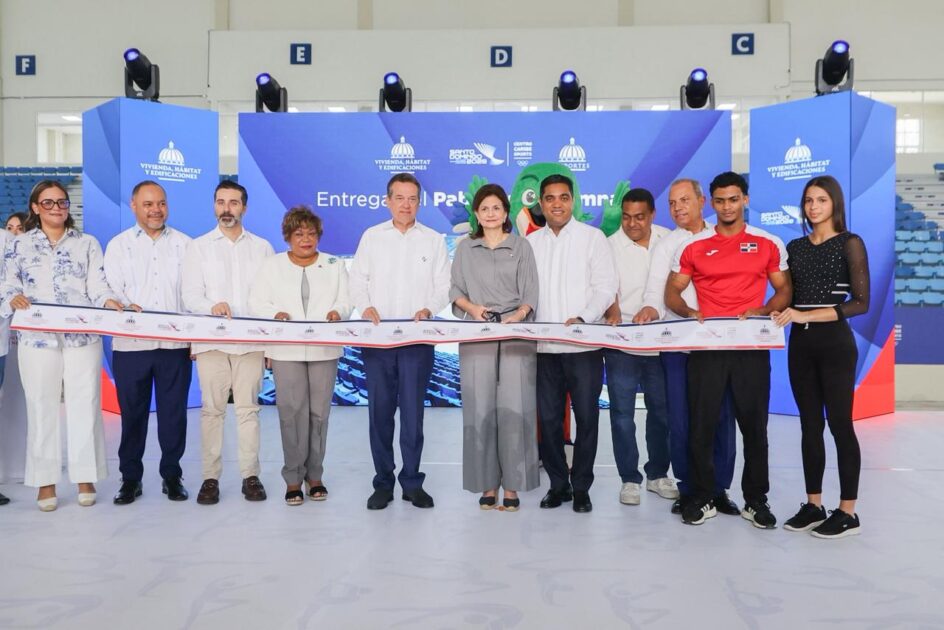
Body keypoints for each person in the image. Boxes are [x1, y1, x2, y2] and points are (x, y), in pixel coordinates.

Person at [665, 171, 792, 528]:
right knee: (702, 426)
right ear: (711, 203)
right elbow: (672, 292)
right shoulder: (693, 246)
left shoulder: (767, 242)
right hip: (707, 348)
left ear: (745, 200)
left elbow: (784, 290)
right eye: (720, 201)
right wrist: (687, 311)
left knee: (754, 428)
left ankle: (756, 500)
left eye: (733, 199)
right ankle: (703, 497)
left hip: (750, 347)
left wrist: (764, 309)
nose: (727, 207)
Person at [0, 181, 123, 511]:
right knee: (41, 406)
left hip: (82, 336)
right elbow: (7, 283)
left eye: (62, 202)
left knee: (86, 403)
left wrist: (109, 300)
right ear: (35, 207)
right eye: (48, 202)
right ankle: (45, 481)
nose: (56, 208)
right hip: (37, 339)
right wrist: (13, 296)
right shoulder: (18, 244)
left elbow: (98, 285)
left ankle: (86, 477)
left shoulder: (87, 243)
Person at [634, 179, 739, 516]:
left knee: (721, 416)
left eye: (684, 200)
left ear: (701, 201)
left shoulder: (722, 237)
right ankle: (689, 488)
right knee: (679, 420)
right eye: (672, 203)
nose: (678, 207)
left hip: (718, 344)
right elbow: (655, 290)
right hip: (677, 345)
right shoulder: (667, 245)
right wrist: (649, 308)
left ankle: (719, 488)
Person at [773, 175, 868, 539]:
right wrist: (771, 312)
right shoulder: (795, 247)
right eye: (809, 200)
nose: (813, 207)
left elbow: (861, 303)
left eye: (821, 200)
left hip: (835, 345)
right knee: (810, 425)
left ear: (835, 204)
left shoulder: (850, 243)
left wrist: (805, 315)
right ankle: (814, 505)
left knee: (841, 424)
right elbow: (788, 296)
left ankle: (848, 512)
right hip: (801, 345)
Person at [349, 172, 450, 510]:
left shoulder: (433, 240)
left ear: (419, 202)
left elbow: (443, 286)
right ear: (388, 201)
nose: (406, 205)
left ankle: (412, 482)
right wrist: (365, 307)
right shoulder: (372, 237)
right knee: (379, 414)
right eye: (400, 198)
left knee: (412, 415)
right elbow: (357, 280)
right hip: (378, 341)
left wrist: (429, 308)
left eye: (412, 199)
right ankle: (383, 483)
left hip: (416, 341)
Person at [527, 174, 618, 513]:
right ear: (541, 203)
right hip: (544, 349)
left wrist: (584, 318)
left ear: (573, 200)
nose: (557, 204)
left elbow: (606, 286)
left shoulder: (592, 238)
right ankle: (558, 485)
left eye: (563, 197)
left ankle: (581, 487)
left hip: (584, 348)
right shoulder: (530, 243)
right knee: (549, 420)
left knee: (587, 419)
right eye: (550, 198)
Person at [249, 206, 351, 506]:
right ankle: (293, 478)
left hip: (324, 348)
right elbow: (256, 301)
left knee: (319, 414)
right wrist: (275, 313)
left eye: (311, 233)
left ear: (318, 236)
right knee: (292, 413)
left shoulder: (334, 264)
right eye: (298, 234)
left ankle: (315, 475)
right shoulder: (272, 265)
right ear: (288, 237)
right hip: (286, 349)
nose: (305, 239)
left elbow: (346, 300)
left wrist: (338, 311)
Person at [182, 181, 274, 505]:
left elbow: (270, 298)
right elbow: (190, 295)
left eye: (233, 203)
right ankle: (210, 478)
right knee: (212, 411)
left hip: (250, 343)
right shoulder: (198, 247)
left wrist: (270, 346)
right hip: (211, 342)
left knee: (249, 410)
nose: (226, 209)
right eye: (221, 202)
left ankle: (250, 476)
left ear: (244, 208)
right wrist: (212, 306)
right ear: (214, 206)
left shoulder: (262, 248)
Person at [450, 183, 540, 511]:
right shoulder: (465, 249)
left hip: (516, 336)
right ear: (476, 214)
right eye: (484, 208)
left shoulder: (521, 246)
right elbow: (455, 290)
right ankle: (486, 484)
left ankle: (513, 486)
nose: (490, 214)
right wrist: (474, 310)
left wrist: (519, 315)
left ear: (505, 213)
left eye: (496, 208)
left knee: (516, 409)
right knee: (480, 410)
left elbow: (531, 292)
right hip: (478, 335)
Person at [104, 180, 193, 505]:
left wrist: (194, 338)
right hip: (131, 346)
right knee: (132, 415)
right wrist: (125, 306)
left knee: (173, 415)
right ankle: (130, 479)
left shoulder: (185, 245)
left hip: (174, 346)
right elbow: (110, 290)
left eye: (161, 203)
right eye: (148, 204)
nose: (156, 210)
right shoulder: (118, 246)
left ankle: (172, 476)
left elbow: (191, 295)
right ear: (133, 206)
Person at [602, 188, 677, 506]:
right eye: (627, 217)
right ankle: (629, 479)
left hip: (661, 341)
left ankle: (658, 474)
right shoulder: (608, 246)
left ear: (653, 215)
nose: (632, 224)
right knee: (622, 415)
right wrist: (612, 311)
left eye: (640, 217)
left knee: (663, 412)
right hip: (622, 342)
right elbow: (604, 288)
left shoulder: (669, 240)